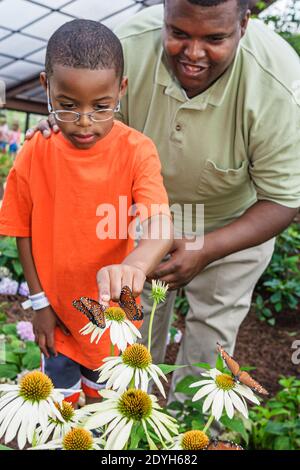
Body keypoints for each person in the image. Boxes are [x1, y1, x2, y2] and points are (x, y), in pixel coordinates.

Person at [26, 0, 300, 403]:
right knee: (131, 334)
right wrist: (61, 119)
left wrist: (206, 249)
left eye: (215, 38)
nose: (193, 53)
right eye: (178, 33)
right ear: (165, 13)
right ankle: (128, 419)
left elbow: (282, 199)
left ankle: (190, 431)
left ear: (245, 23)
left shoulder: (280, 83)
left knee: (212, 335)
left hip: (235, 223)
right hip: (134, 217)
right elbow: (88, 115)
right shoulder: (127, 48)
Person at [0, 19, 173, 405]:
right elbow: (22, 231)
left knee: (110, 411)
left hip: (114, 319)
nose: (83, 121)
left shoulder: (136, 151)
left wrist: (137, 264)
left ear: (121, 91)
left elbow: (160, 225)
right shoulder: (34, 151)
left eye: (101, 106)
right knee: (59, 413)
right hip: (57, 320)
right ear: (46, 87)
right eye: (67, 106)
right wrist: (39, 303)